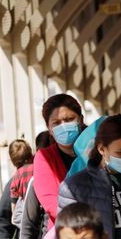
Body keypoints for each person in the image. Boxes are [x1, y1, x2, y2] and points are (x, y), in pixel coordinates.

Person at [34, 94, 86, 230]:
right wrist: (87, 223)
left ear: (81, 120)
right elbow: (51, 204)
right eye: (56, 123)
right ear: (49, 129)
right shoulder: (44, 157)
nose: (64, 126)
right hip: (67, 236)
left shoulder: (98, 149)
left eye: (69, 119)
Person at [9, 139, 35, 227]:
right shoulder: (37, 166)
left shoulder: (17, 175)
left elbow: (14, 198)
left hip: (26, 208)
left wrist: (13, 215)